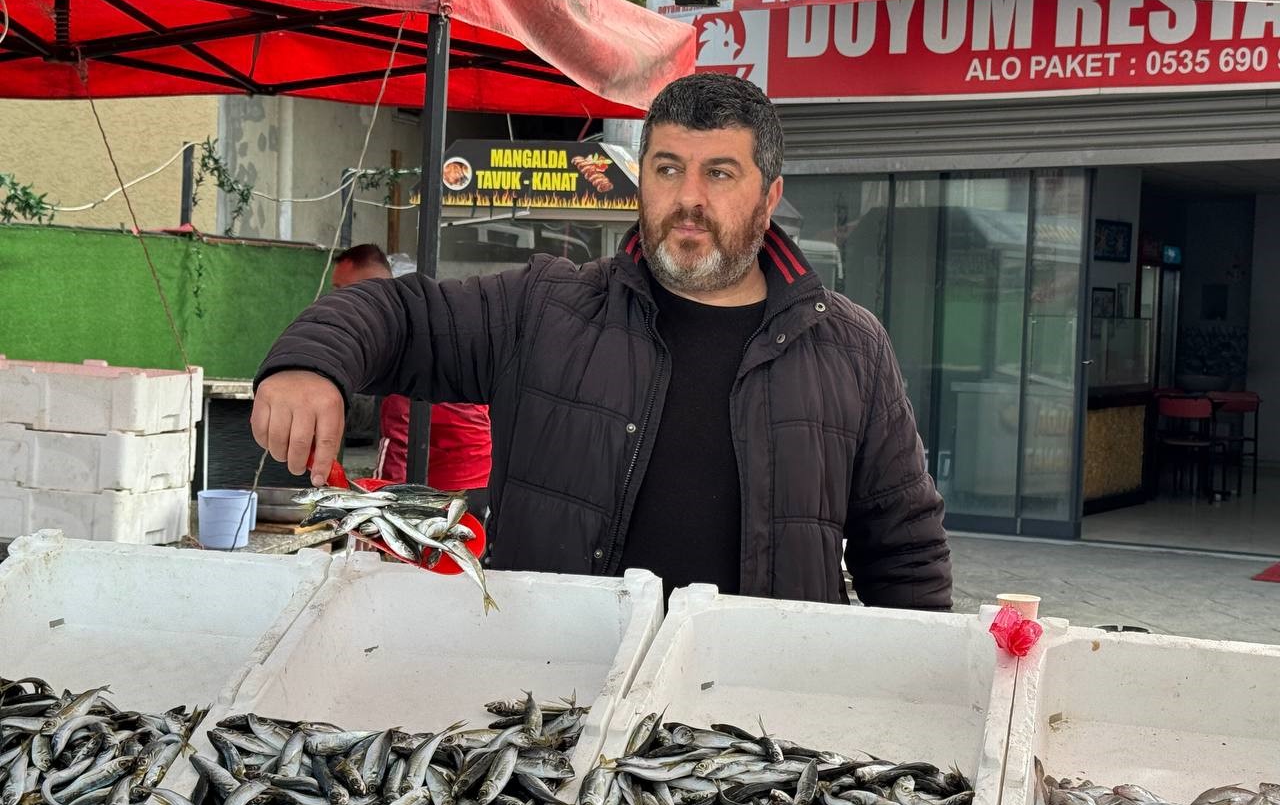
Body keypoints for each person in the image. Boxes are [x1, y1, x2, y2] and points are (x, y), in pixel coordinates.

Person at [252, 74, 951, 607]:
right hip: (557, 707)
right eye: (669, 168)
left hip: (761, 724)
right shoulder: (546, 306)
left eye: (720, 173)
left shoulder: (849, 349)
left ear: (769, 196)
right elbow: (402, 315)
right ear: (642, 181)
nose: (689, 199)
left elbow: (905, 550)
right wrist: (311, 363)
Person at [331, 244, 492, 517]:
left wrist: (376, 506)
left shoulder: (400, 338)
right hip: (481, 474)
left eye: (341, 291)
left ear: (365, 290)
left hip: (447, 491)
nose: (335, 301)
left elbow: (399, 439)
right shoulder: (432, 318)